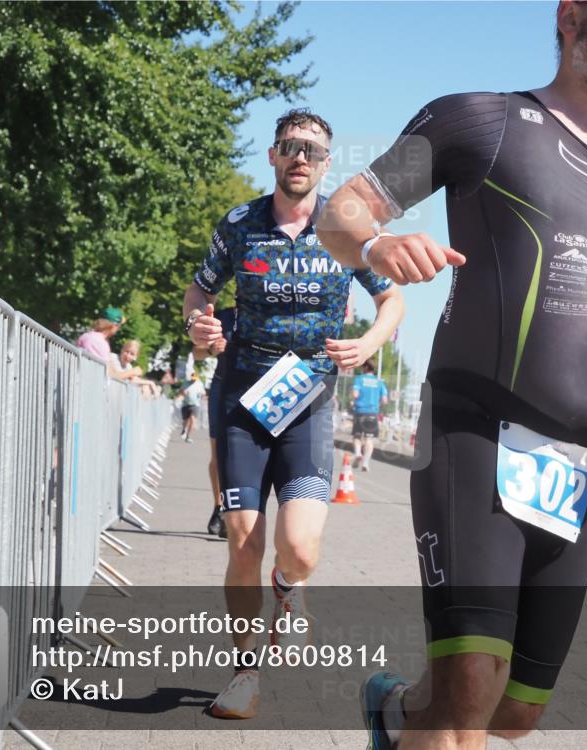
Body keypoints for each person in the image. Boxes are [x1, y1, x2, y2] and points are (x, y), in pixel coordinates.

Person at [317, 2, 587, 747]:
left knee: (514, 712)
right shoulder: (475, 123)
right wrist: (376, 247)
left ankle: (394, 712)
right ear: (571, 15)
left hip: (582, 464)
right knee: (469, 697)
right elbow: (341, 211)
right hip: (473, 432)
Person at [182, 108, 405, 719]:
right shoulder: (239, 225)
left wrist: (368, 343)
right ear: (274, 157)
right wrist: (198, 322)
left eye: (312, 149)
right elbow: (200, 290)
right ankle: (245, 672)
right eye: (289, 146)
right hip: (242, 395)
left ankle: (292, 587)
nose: (300, 156)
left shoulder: (344, 226)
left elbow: (392, 301)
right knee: (244, 542)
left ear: (327, 162)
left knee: (300, 550)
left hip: (309, 395)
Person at [194, 306, 236, 537]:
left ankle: (238, 510)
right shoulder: (222, 316)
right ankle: (219, 506)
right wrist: (211, 349)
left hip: (257, 389)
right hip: (223, 385)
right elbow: (196, 352)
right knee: (219, 452)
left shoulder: (269, 312)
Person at [76, 306, 137, 380]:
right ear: (113, 326)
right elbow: (111, 374)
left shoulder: (86, 335)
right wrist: (133, 372)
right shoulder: (100, 343)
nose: (119, 329)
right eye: (119, 326)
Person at [351, 358, 388, 472]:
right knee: (369, 440)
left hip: (360, 412)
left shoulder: (359, 379)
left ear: (365, 367)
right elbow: (384, 400)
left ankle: (358, 453)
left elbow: (355, 394)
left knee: (357, 437)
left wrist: (353, 398)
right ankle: (366, 463)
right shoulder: (380, 382)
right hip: (372, 413)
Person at [180, 372, 206, 443]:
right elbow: (181, 391)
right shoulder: (186, 383)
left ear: (197, 378)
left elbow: (204, 392)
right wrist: (183, 393)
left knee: (193, 420)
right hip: (186, 404)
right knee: (185, 420)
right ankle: (183, 429)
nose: (193, 380)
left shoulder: (199, 384)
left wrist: (202, 394)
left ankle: (188, 436)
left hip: (195, 405)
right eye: (192, 379)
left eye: (195, 379)